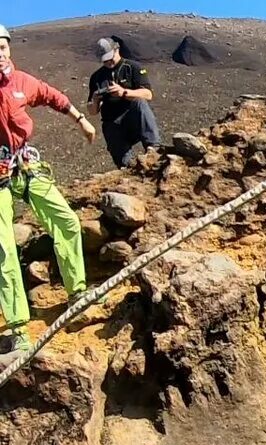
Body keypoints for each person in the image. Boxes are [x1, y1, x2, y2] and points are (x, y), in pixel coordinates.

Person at [0, 24, 96, 355]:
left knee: (66, 220)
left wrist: (81, 120)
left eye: (2, 47)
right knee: (3, 249)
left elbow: (52, 96)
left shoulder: (22, 82)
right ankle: (17, 330)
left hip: (25, 164)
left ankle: (77, 294)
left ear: (9, 48)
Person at [87, 37, 161, 168]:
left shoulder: (133, 67)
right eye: (105, 60)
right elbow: (92, 112)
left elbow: (148, 94)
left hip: (133, 118)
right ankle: (129, 169)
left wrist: (124, 92)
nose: (108, 62)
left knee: (140, 103)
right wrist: (95, 99)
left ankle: (154, 149)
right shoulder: (96, 77)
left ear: (117, 49)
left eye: (110, 57)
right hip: (113, 123)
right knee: (125, 165)